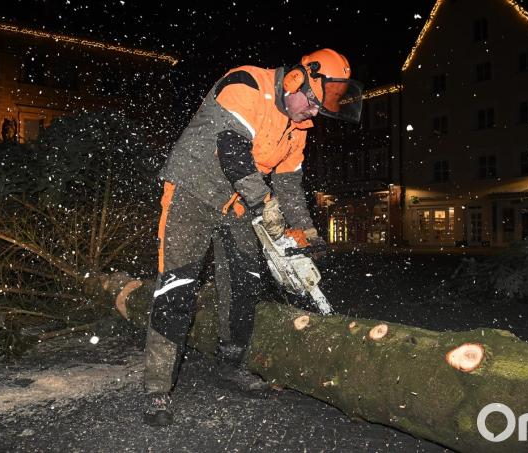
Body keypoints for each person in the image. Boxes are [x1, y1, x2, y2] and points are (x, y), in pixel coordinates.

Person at [143, 48, 363, 426]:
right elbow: (232, 151)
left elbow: (290, 183)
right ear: (296, 80)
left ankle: (231, 366)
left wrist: (306, 233)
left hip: (239, 205)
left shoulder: (299, 128)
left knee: (245, 285)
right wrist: (265, 203)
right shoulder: (246, 83)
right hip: (192, 192)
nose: (312, 115)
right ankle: (157, 389)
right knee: (177, 286)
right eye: (312, 105)